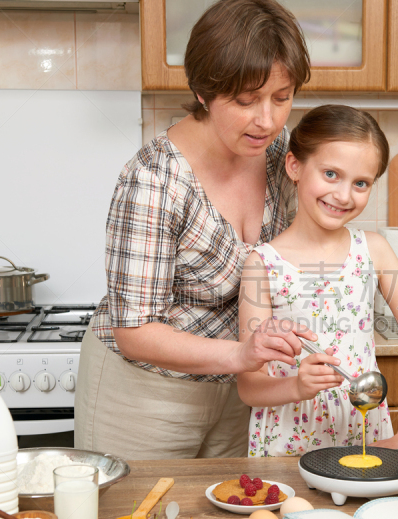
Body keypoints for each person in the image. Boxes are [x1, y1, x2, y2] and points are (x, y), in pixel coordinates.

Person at [74, 0, 314, 460]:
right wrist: (243, 355)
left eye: (281, 98)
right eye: (246, 101)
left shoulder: (276, 153)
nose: (267, 119)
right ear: (204, 92)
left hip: (238, 392)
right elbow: (135, 331)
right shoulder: (154, 179)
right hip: (144, 394)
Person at [238, 105, 398, 457]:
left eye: (360, 183)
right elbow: (249, 387)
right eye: (330, 174)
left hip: (365, 433)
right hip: (287, 441)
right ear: (294, 166)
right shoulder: (261, 265)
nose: (344, 195)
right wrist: (297, 385)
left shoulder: (375, 251)